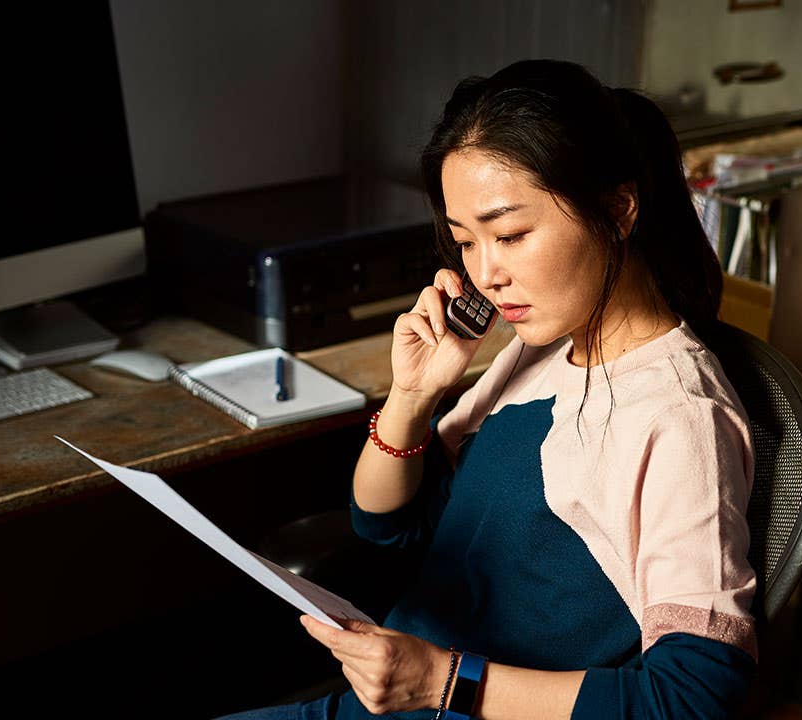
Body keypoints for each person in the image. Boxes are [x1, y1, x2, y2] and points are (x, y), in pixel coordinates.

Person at [218, 58, 757, 720]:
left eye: (509, 235)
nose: (486, 273)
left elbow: (693, 698)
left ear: (618, 210)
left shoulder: (679, 418)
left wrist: (442, 683)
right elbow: (387, 528)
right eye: (466, 242)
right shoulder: (542, 347)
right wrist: (411, 397)